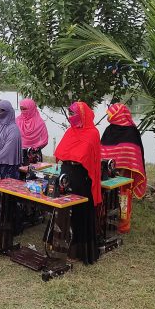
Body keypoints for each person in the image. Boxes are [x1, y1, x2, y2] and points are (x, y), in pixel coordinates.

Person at [55, 101, 102, 265]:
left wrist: (75, 157)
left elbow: (90, 159)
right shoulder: (70, 131)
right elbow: (61, 152)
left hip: (81, 177)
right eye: (69, 113)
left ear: (83, 115)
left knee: (79, 214)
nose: (70, 117)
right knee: (63, 210)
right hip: (66, 173)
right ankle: (59, 246)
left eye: (73, 113)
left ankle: (78, 251)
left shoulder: (93, 134)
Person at [100, 103, 146, 233]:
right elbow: (102, 150)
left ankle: (123, 225)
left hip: (125, 174)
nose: (108, 117)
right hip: (108, 172)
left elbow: (134, 153)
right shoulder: (109, 130)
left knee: (123, 198)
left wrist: (121, 164)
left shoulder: (131, 131)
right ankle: (104, 221)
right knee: (106, 196)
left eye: (110, 114)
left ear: (118, 115)